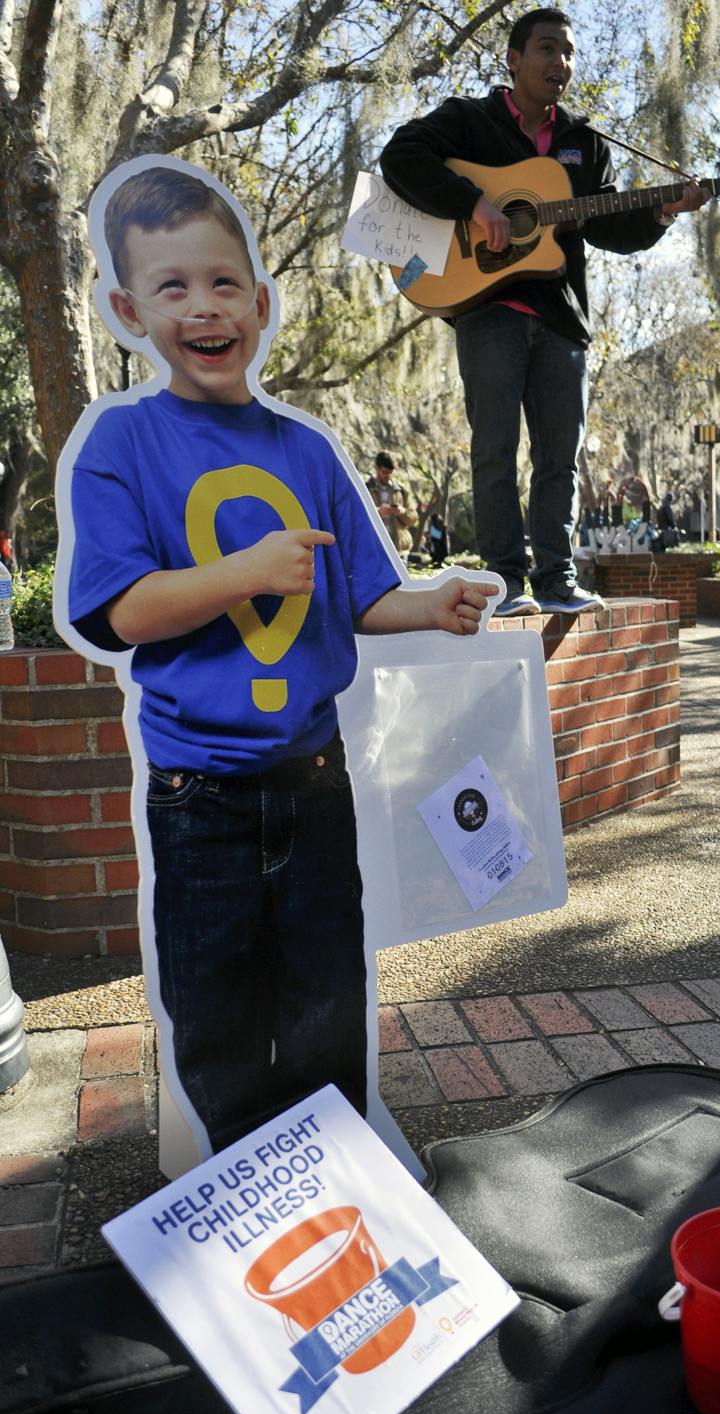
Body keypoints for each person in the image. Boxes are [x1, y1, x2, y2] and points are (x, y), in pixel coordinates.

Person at [64, 166, 496, 1152]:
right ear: (128, 309)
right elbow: (120, 612)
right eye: (172, 288)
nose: (204, 308)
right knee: (217, 1019)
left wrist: (430, 603)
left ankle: (338, 1181)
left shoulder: (305, 449)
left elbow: (359, 593)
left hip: (312, 785)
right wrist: (243, 571)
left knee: (325, 1006)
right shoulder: (120, 444)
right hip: (198, 799)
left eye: (224, 284)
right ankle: (250, 1191)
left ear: (259, 304)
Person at [380, 7, 707, 618]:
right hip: (488, 306)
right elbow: (401, 159)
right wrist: (476, 204)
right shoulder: (468, 120)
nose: (562, 63)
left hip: (562, 319)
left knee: (560, 455)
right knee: (495, 449)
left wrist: (665, 211)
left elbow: (610, 225)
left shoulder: (584, 140)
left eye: (569, 53)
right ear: (514, 59)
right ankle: (505, 583)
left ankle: (556, 580)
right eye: (548, 49)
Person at [366, 450, 417, 557]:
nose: (387, 476)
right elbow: (356, 515)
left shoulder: (402, 491)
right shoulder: (365, 489)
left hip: (399, 551)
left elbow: (413, 519)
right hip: (374, 549)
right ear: (376, 468)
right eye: (384, 472)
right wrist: (377, 512)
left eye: (390, 472)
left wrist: (402, 512)